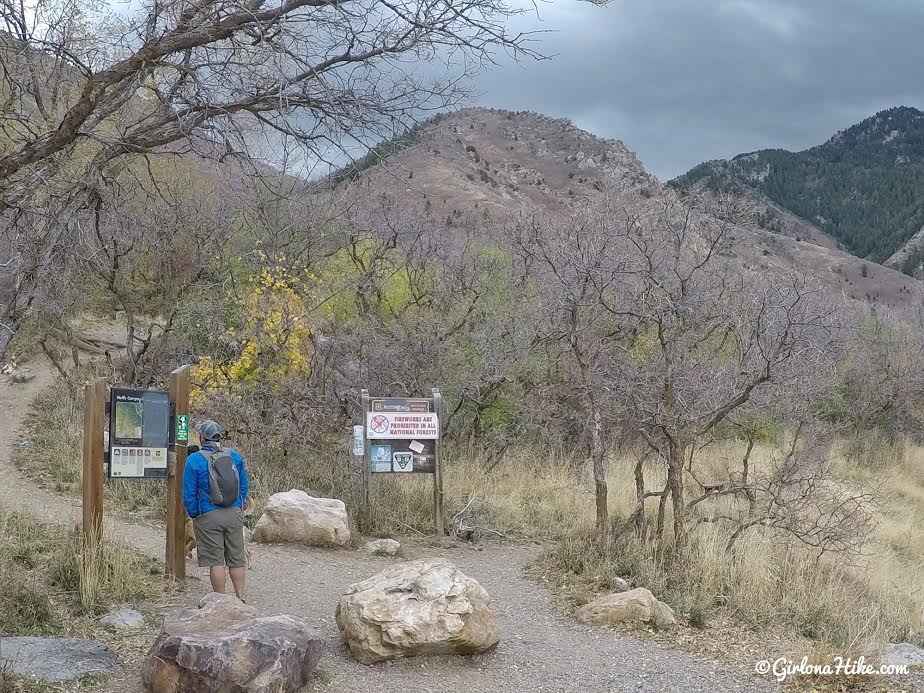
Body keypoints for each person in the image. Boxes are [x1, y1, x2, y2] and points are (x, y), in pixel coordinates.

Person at [182, 420, 250, 601]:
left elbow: (189, 492)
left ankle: (220, 602)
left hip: (208, 515)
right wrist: (239, 506)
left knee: (216, 561)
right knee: (236, 559)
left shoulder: (194, 460)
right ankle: (240, 597)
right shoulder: (234, 456)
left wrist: (195, 513)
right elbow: (243, 486)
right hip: (233, 513)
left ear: (201, 438)